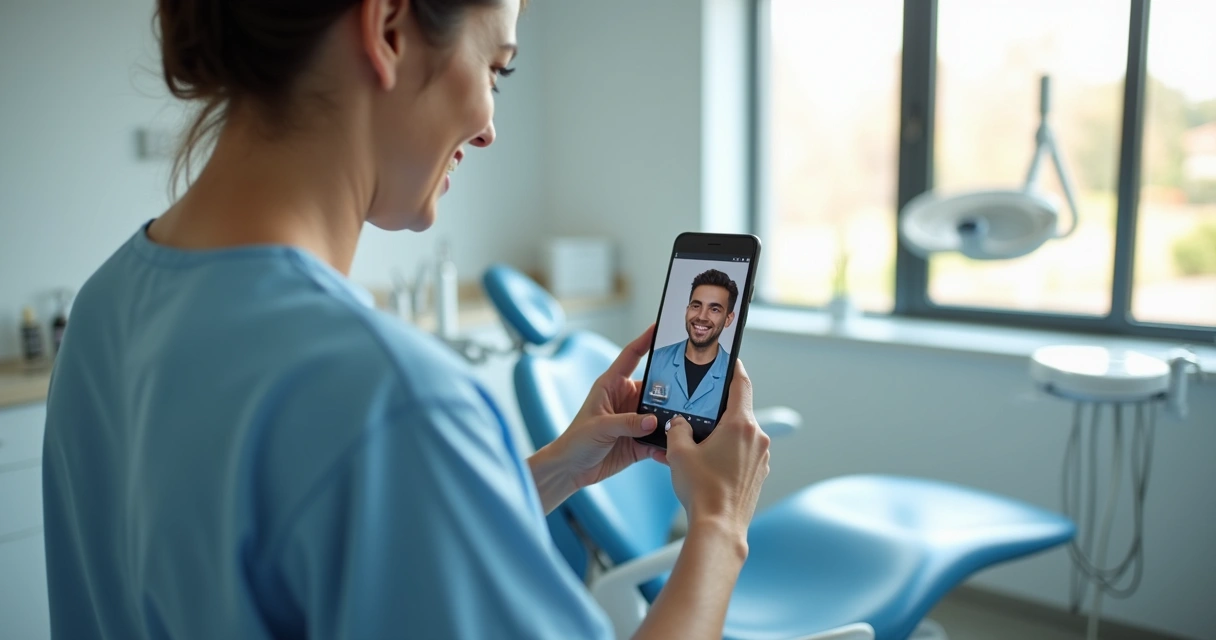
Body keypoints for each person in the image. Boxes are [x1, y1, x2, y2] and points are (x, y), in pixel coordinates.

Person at [40, 1, 771, 639]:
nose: (489, 129)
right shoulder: (394, 398)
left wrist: (554, 469)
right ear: (388, 27)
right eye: (497, 67)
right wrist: (719, 525)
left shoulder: (105, 308)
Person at [646, 269, 738, 422]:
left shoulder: (734, 375)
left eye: (714, 309)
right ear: (687, 309)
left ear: (728, 319)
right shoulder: (656, 360)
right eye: (696, 306)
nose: (702, 316)